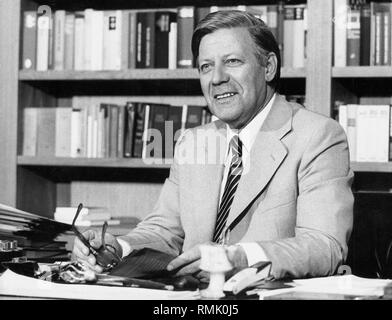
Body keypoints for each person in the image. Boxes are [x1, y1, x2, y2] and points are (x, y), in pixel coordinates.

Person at [73, 10, 353, 280]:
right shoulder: (193, 141)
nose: (217, 78)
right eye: (206, 66)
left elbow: (325, 246)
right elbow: (165, 231)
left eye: (232, 61)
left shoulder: (318, 136)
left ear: (268, 67)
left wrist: (239, 258)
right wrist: (116, 247)